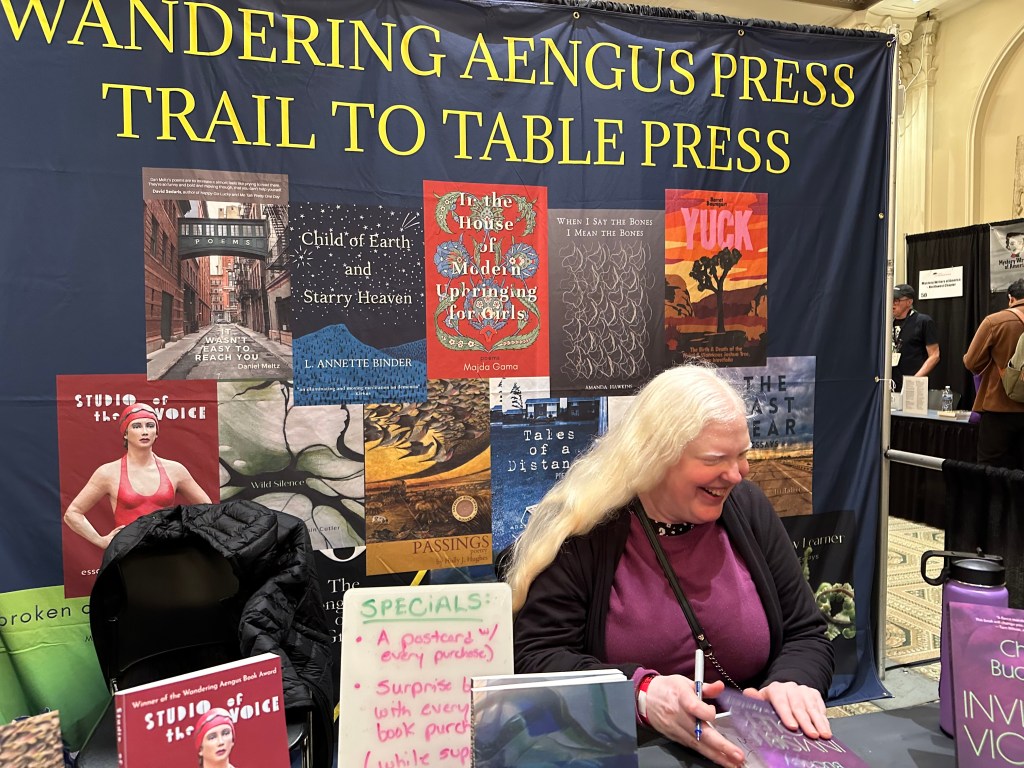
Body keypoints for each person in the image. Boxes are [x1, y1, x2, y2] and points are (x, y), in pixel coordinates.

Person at [504, 364, 834, 768]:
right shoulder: (584, 527)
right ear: (656, 456)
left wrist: (794, 682)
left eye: (742, 455)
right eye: (716, 459)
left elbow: (806, 633)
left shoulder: (747, 508)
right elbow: (537, 656)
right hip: (622, 752)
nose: (737, 475)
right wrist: (640, 693)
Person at [63, 402, 212, 548]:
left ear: (156, 432)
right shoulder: (108, 473)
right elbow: (72, 514)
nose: (145, 431)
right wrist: (101, 541)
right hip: (128, 554)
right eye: (137, 426)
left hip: (167, 552)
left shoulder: (175, 470)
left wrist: (185, 534)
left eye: (150, 425)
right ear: (126, 433)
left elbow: (208, 509)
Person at [963, 278, 1024, 468]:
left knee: (991, 469)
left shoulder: (995, 321)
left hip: (999, 408)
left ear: (1010, 298)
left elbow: (971, 361)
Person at [891, 283, 940, 391]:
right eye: (891, 299)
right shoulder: (886, 323)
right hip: (890, 384)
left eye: (897, 300)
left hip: (913, 385)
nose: (892, 303)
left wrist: (914, 380)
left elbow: (935, 355)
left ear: (909, 302)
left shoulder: (923, 322)